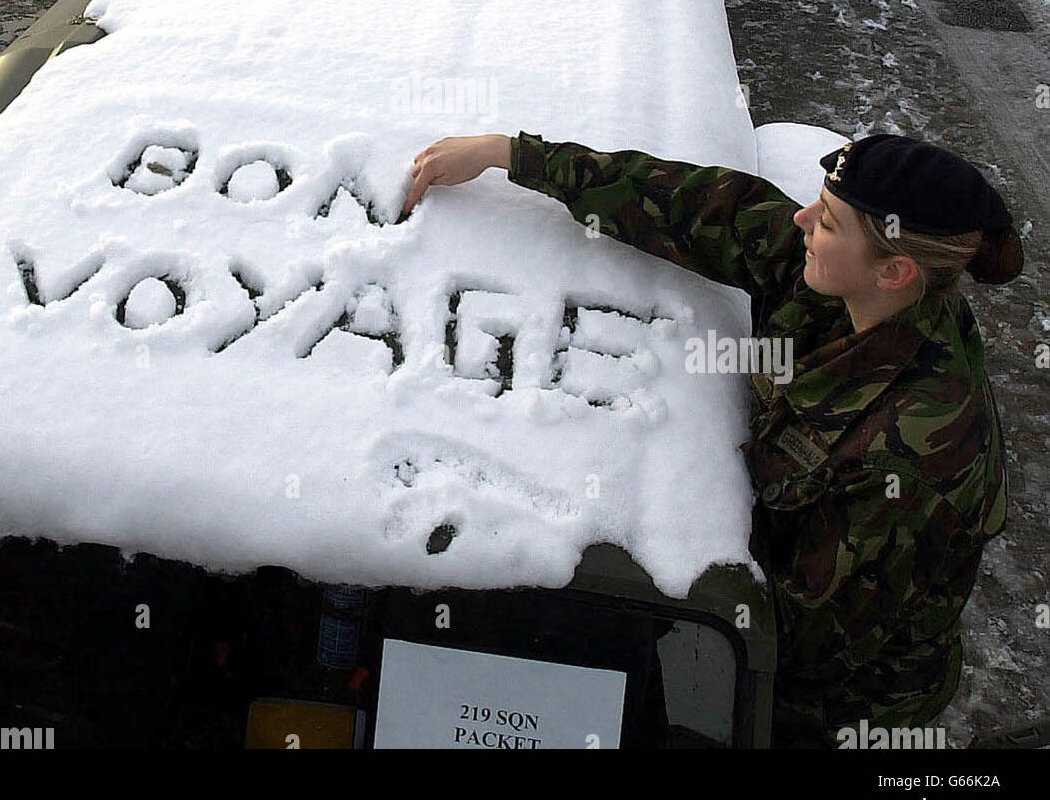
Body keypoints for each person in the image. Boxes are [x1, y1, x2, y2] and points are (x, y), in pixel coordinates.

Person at [401, 131, 1023, 747]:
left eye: (828, 222)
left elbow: (794, 641)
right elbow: (697, 207)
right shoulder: (853, 288)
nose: (802, 220)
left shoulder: (911, 459)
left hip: (831, 713)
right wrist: (510, 155)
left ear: (894, 270)